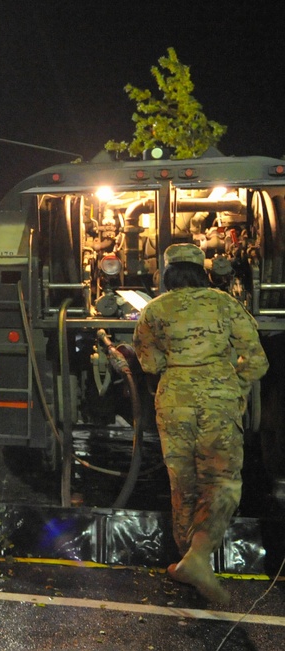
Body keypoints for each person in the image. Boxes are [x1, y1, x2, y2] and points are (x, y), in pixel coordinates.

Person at [133, 243, 268, 605]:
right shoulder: (225, 304)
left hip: (174, 399)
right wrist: (231, 386)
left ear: (166, 273)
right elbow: (256, 360)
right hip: (218, 397)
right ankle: (200, 556)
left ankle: (187, 561)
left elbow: (149, 363)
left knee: (183, 482)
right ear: (203, 271)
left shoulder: (154, 310)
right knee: (221, 479)